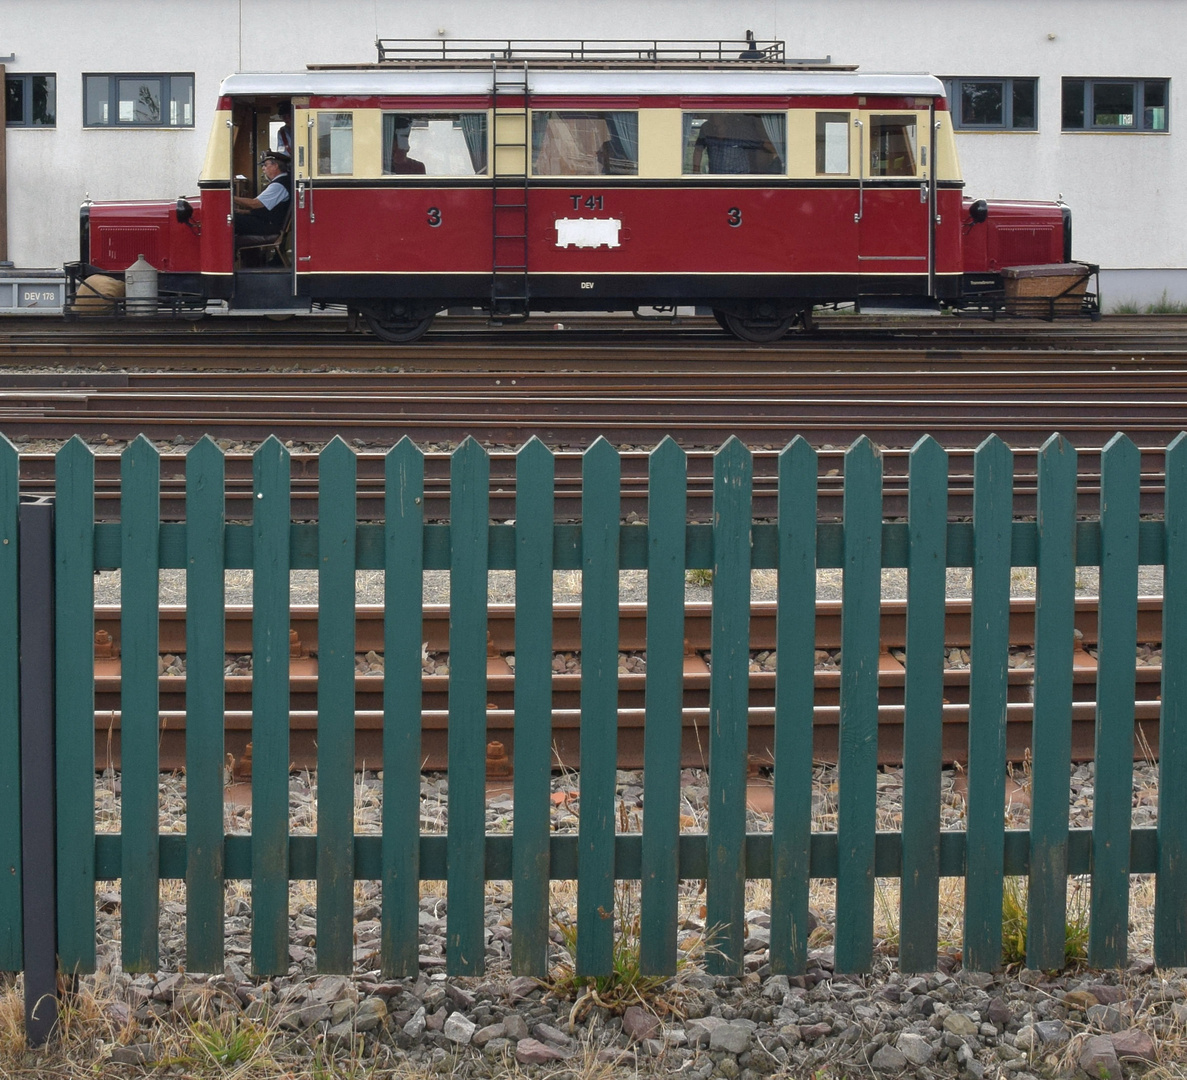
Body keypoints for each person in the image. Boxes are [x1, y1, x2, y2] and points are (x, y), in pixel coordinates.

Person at [233, 151, 291, 246]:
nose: (263, 168)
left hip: (270, 225)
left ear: (275, 166)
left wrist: (230, 197)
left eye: (265, 165)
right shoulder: (283, 181)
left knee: (229, 220)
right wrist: (243, 212)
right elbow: (271, 209)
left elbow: (254, 204)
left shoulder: (278, 185)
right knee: (235, 217)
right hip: (270, 222)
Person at [692, 113, 781, 174]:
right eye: (713, 116)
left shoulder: (739, 130)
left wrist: (779, 154)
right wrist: (696, 171)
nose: (715, 119)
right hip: (716, 176)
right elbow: (698, 150)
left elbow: (760, 144)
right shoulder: (706, 128)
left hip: (739, 178)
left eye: (719, 115)